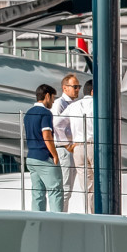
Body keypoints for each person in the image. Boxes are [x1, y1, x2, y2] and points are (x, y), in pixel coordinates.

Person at [23, 84, 63, 212]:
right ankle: (57, 223)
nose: (53, 101)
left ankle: (37, 222)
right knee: (55, 190)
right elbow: (46, 135)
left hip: (31, 158)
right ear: (47, 96)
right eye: (53, 98)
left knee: (37, 193)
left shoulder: (28, 114)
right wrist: (55, 155)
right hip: (44, 157)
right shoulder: (45, 113)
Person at [62, 80, 95, 212]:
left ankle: (89, 213)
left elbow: (57, 122)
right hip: (94, 146)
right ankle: (102, 212)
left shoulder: (74, 106)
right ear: (93, 92)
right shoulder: (98, 104)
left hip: (78, 147)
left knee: (86, 185)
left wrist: (67, 143)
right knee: (102, 180)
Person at [50, 73, 81, 211]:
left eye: (78, 87)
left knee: (68, 187)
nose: (77, 89)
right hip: (65, 149)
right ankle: (60, 216)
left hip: (70, 148)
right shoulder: (60, 104)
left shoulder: (73, 104)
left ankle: (61, 214)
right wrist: (67, 145)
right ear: (65, 88)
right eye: (74, 86)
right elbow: (56, 125)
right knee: (65, 188)